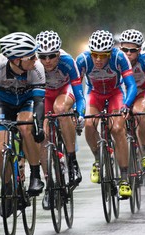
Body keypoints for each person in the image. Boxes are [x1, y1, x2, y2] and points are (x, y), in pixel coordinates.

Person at [0, 32, 46, 216]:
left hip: (28, 101)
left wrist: (38, 125)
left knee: (25, 126)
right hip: (5, 104)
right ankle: (7, 189)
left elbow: (39, 103)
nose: (36, 59)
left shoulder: (37, 69)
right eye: (31, 56)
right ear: (16, 59)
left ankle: (35, 175)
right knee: (1, 149)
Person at [76, 30, 137, 198]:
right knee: (89, 124)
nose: (98, 59)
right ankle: (98, 158)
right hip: (94, 94)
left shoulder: (119, 57)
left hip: (115, 94)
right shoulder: (82, 60)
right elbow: (76, 89)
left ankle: (124, 178)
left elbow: (131, 85)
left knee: (117, 129)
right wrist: (78, 111)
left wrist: (126, 106)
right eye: (95, 55)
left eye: (103, 56)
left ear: (110, 53)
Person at [35, 30, 86, 186]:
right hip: (46, 94)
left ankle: (72, 161)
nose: (47, 61)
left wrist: (80, 113)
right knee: (42, 135)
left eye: (51, 56)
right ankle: (49, 182)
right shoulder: (34, 65)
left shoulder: (68, 62)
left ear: (58, 54)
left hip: (65, 90)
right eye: (43, 56)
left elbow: (79, 95)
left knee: (61, 108)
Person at [118, 29, 145, 169]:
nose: (128, 53)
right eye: (125, 49)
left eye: (133, 50)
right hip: (122, 93)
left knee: (138, 112)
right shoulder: (115, 59)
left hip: (142, 92)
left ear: (140, 50)